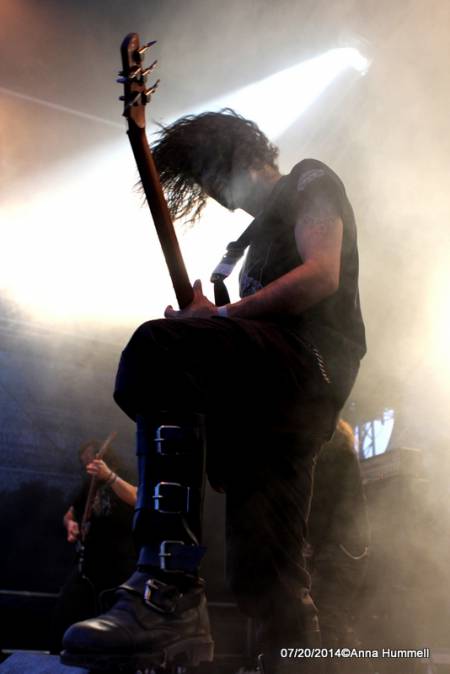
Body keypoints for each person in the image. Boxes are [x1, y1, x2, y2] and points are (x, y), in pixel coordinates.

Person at [61, 109, 366, 673]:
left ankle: (168, 588)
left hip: (311, 367)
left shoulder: (310, 178)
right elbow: (247, 336)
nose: (220, 200)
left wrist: (218, 320)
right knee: (263, 576)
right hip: (280, 410)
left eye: (215, 179)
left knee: (159, 348)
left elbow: (322, 274)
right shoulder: (245, 248)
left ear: (242, 156)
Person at [52, 440, 137, 652]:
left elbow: (138, 498)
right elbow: (70, 513)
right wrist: (70, 524)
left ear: (104, 455)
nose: (88, 465)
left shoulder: (125, 473)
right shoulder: (90, 483)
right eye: (85, 463)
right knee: (66, 611)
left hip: (119, 564)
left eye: (91, 459)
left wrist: (109, 477)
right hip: (89, 562)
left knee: (115, 621)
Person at [306, 419, 370, 673]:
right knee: (332, 620)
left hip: (338, 550)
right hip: (348, 551)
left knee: (326, 620)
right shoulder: (343, 451)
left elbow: (321, 504)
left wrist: (311, 540)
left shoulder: (330, 454)